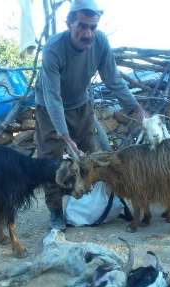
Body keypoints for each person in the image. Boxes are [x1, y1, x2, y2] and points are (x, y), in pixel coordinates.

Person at [34, 0, 147, 230]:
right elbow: (53, 97)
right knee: (50, 160)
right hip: (49, 108)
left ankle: (105, 205)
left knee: (94, 157)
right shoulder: (54, 49)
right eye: (82, 26)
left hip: (80, 104)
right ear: (69, 23)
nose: (88, 33)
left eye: (92, 27)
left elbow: (113, 79)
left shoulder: (101, 42)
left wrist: (135, 108)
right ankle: (56, 212)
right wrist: (65, 137)